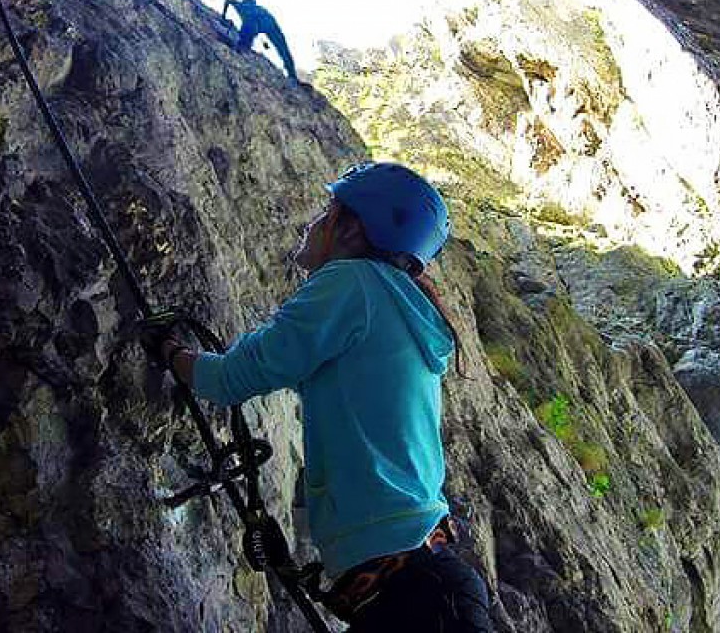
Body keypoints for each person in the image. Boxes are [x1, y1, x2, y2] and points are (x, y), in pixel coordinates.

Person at [151, 162, 493, 632]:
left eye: (327, 211)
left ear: (353, 230)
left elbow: (234, 377)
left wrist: (169, 353)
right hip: (420, 587)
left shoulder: (352, 283)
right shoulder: (396, 310)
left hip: (411, 596)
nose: (313, 223)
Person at [223, 0, 300, 81]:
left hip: (260, 24)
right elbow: (283, 48)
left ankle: (243, 46)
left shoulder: (242, 6)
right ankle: (292, 74)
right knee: (283, 49)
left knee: (249, 28)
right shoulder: (259, 9)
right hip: (270, 24)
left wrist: (223, 15)